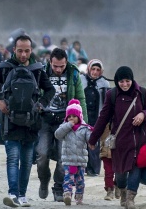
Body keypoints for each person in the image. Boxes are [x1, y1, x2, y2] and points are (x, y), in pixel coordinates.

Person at [0, 34, 55, 207]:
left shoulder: (38, 69)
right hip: (10, 122)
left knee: (27, 161)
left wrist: (41, 104)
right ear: (13, 50)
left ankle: (22, 196)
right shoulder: (4, 68)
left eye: (27, 51)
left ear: (31, 50)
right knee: (13, 158)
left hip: (31, 124)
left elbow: (50, 90)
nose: (23, 55)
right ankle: (13, 194)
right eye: (20, 51)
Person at [88, 66, 146, 209]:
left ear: (132, 79)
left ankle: (130, 198)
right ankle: (123, 190)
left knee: (136, 169)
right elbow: (103, 118)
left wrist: (144, 115)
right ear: (117, 81)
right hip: (120, 142)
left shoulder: (142, 93)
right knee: (120, 174)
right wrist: (93, 139)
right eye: (121, 81)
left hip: (139, 141)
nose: (124, 84)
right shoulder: (111, 95)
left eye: (127, 81)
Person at [37, 48, 87, 202]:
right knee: (42, 155)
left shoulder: (73, 74)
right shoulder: (41, 72)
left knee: (63, 157)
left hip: (65, 121)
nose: (58, 69)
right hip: (45, 119)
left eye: (62, 66)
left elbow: (80, 98)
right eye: (55, 66)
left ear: (66, 63)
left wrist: (83, 123)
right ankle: (44, 180)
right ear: (50, 62)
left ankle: (58, 187)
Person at [54, 99, 92, 206]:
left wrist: (92, 135)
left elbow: (90, 140)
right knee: (68, 179)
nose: (71, 119)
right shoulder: (64, 127)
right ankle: (67, 194)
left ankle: (79, 198)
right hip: (68, 160)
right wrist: (67, 125)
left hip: (80, 160)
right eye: (69, 116)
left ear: (79, 117)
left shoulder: (84, 128)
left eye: (74, 116)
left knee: (80, 181)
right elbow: (58, 135)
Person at [80, 59, 110, 178]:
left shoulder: (104, 83)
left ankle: (94, 169)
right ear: (89, 69)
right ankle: (83, 166)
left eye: (98, 70)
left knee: (95, 142)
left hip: (98, 117)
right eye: (93, 69)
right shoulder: (81, 80)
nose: (95, 72)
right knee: (82, 142)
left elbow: (107, 103)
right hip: (83, 116)